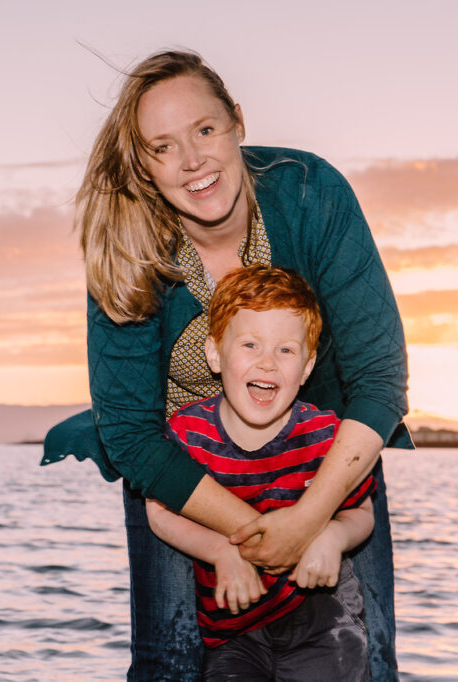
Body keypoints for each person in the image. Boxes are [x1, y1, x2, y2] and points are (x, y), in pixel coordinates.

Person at [41, 49, 410, 682]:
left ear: (236, 122)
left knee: (366, 660)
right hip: (179, 468)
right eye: (162, 147)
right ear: (143, 164)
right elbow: (132, 434)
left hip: (318, 462)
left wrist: (310, 517)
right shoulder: (131, 246)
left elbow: (380, 379)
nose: (191, 161)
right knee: (172, 665)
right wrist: (257, 533)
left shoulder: (308, 192)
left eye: (205, 130)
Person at [147, 265, 374, 681]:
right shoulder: (188, 433)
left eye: (286, 350)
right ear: (214, 354)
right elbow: (159, 510)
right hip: (233, 626)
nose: (268, 363)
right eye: (250, 344)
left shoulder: (326, 435)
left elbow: (362, 513)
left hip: (321, 617)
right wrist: (221, 551)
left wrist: (333, 536)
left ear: (307, 368)